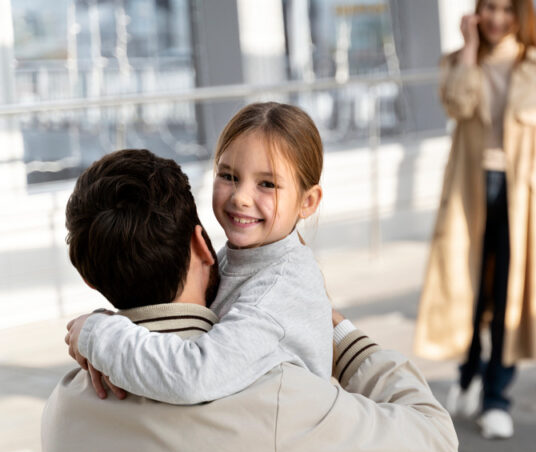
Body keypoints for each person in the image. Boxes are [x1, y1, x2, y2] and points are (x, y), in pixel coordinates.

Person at [42, 149, 458, 452]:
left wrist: (96, 330)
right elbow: (434, 439)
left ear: (90, 281)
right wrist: (342, 336)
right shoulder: (276, 401)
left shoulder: (64, 405)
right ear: (202, 245)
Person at [65, 102, 335, 405]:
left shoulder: (279, 290)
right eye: (229, 176)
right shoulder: (237, 260)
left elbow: (194, 376)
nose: (241, 197)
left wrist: (100, 335)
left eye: (267, 184)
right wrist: (119, 324)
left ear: (308, 202)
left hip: (290, 442)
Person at [414, 0, 536, 439]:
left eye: (506, 8)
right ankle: (467, 374)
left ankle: (497, 397)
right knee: (467, 290)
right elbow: (459, 107)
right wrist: (467, 49)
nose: (498, 18)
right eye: (489, 8)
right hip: (470, 191)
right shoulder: (457, 62)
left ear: (521, 14)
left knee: (509, 297)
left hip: (524, 196)